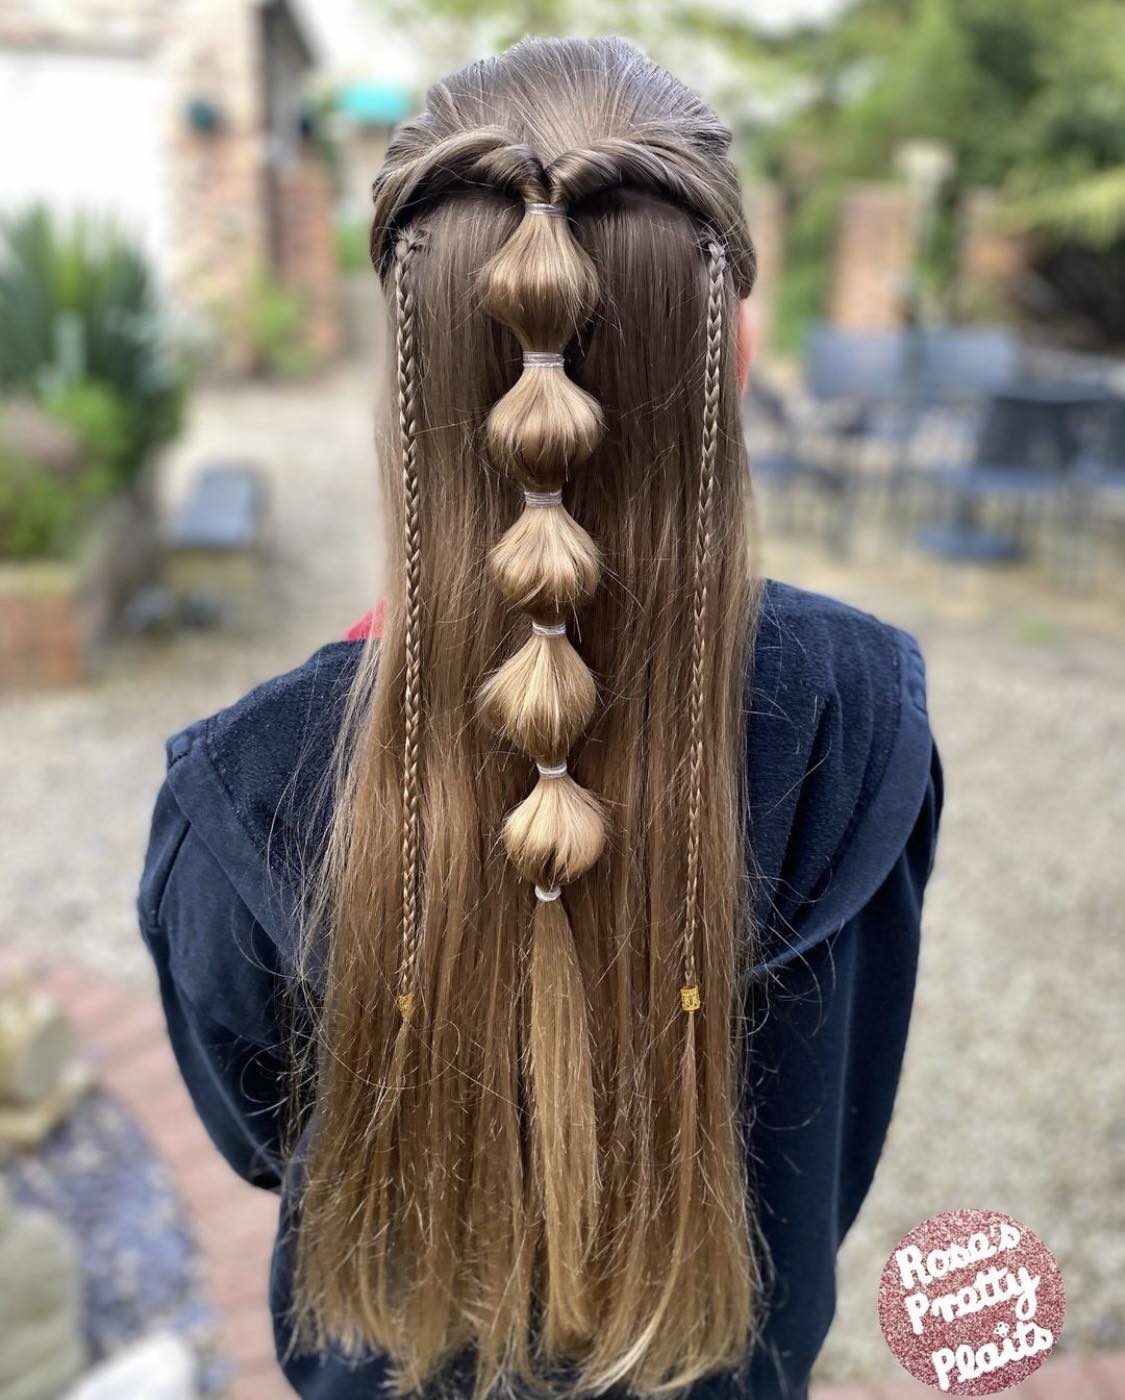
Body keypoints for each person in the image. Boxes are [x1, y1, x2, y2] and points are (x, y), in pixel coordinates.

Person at [138, 36, 942, 1400]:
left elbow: (264, 1142)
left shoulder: (242, 790)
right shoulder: (860, 717)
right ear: (728, 349)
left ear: (409, 372)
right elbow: (839, 1117)